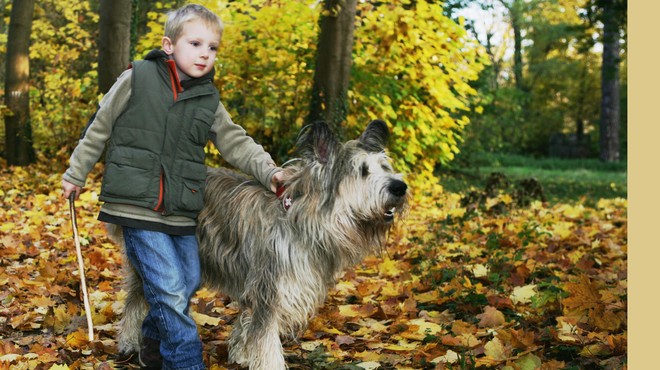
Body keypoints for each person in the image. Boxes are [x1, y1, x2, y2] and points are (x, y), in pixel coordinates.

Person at [62, 4, 283, 369]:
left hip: (181, 208)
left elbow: (235, 141)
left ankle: (152, 343)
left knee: (189, 279)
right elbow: (100, 125)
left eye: (212, 48)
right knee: (169, 289)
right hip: (135, 204)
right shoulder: (138, 78)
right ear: (169, 45)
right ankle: (185, 361)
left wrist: (271, 173)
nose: (204, 54)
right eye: (195, 43)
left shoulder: (207, 98)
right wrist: (75, 173)